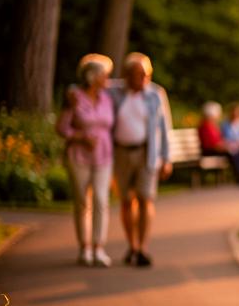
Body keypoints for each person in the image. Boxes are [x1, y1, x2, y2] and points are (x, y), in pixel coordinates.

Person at [111, 52, 173, 267]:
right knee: (127, 200)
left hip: (147, 153)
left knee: (146, 198)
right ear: (127, 75)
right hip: (120, 153)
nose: (144, 79)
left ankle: (143, 248)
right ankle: (133, 245)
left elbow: (165, 129)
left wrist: (167, 158)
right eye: (139, 75)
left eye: (147, 74)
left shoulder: (155, 94)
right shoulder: (114, 92)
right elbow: (88, 87)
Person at [56, 54, 116, 267]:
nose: (107, 79)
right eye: (104, 75)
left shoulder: (107, 98)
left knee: (101, 200)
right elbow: (61, 128)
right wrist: (81, 137)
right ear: (93, 76)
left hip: (104, 156)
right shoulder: (74, 98)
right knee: (83, 202)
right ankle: (85, 248)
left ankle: (99, 247)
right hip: (79, 156)